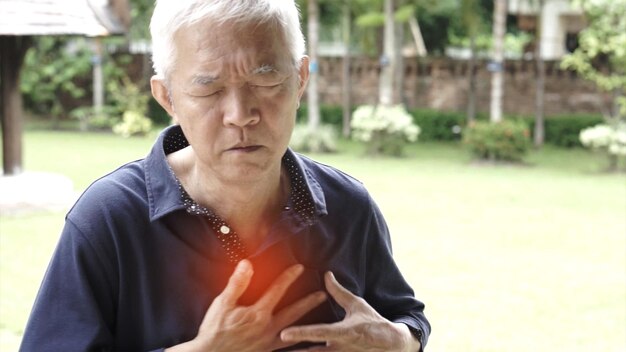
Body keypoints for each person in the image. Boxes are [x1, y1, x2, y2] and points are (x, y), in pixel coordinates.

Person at [20, 1, 430, 351]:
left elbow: (404, 317)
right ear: (168, 97)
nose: (241, 114)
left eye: (266, 78)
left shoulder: (347, 207)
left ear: (300, 79)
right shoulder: (109, 218)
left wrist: (399, 341)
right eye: (209, 89)